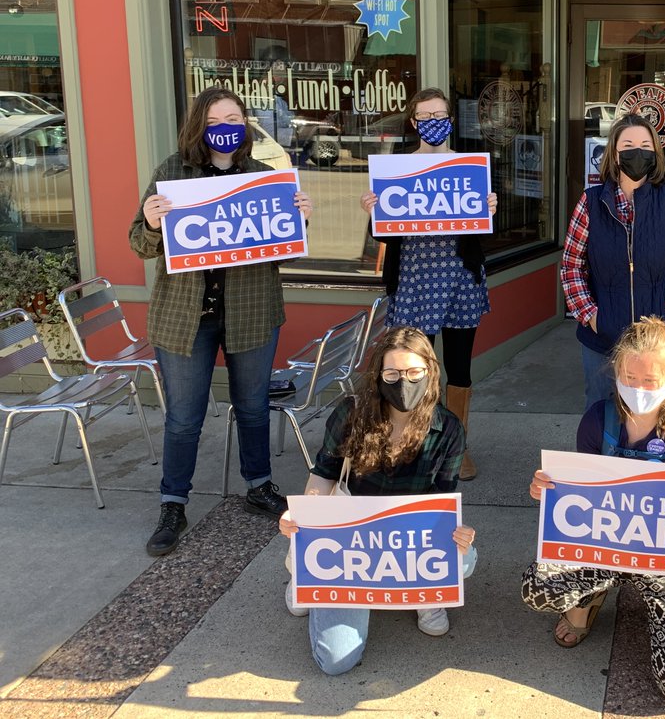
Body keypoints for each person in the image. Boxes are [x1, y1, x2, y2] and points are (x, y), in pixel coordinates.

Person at [131, 86, 313, 557]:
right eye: (214, 121)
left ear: (246, 124)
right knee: (184, 418)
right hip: (184, 319)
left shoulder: (264, 177)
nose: (225, 129)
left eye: (233, 119)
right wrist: (150, 223)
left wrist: (299, 222)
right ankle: (173, 503)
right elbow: (139, 244)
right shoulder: (173, 172)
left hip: (251, 313)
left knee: (252, 407)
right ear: (199, 126)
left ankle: (259, 485)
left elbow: (284, 252)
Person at [522, 317, 665, 707]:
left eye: (650, 380)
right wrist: (549, 490)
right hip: (607, 554)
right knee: (537, 588)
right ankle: (592, 596)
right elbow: (579, 496)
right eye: (630, 378)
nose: (639, 389)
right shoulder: (597, 420)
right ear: (616, 373)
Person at [278, 328, 478, 673]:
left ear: (430, 372)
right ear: (378, 376)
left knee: (464, 559)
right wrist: (307, 518)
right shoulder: (351, 413)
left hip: (409, 538)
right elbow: (324, 473)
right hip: (351, 539)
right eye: (392, 374)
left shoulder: (448, 429)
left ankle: (425, 593)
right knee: (336, 661)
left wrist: (455, 533)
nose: (404, 383)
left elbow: (443, 498)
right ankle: (307, 578)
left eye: (414, 372)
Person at [359, 87, 497, 480]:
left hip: (459, 279)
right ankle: (412, 443)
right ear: (414, 122)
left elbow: (482, 230)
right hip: (414, 280)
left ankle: (457, 447)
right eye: (425, 116)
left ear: (451, 120)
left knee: (458, 367)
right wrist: (373, 212)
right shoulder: (396, 168)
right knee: (411, 368)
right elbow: (383, 235)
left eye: (440, 115)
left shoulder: (469, 166)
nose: (433, 122)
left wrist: (490, 210)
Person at [561, 113, 665, 409]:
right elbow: (571, 266)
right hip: (602, 341)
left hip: (657, 343)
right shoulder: (591, 202)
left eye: (645, 146)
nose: (637, 152)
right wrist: (592, 317)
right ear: (614, 153)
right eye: (628, 145)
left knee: (657, 417)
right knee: (601, 415)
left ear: (655, 153)